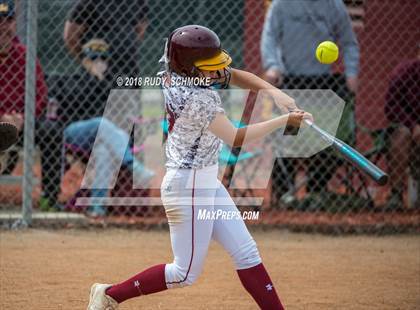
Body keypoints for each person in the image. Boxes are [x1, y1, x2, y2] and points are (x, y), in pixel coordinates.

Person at [87, 25, 312, 310]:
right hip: (187, 187)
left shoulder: (178, 72)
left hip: (205, 181)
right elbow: (235, 137)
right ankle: (110, 294)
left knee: (246, 252)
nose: (217, 73)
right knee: (183, 273)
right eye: (210, 68)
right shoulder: (196, 98)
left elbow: (234, 75)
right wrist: (284, 121)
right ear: (190, 69)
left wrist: (275, 94)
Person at [261, 0, 360, 205]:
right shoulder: (281, 5)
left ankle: (316, 193)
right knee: (286, 135)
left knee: (327, 134)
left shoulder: (334, 5)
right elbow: (269, 37)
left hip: (323, 84)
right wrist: (273, 66)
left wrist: (351, 73)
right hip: (289, 81)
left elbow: (349, 43)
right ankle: (283, 194)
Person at [0, 0, 63, 209]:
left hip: (23, 122)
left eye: (8, 20)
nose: (4, 26)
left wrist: (24, 117)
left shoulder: (24, 55)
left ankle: (50, 198)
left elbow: (40, 95)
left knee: (51, 130)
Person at [63, 0, 148, 78]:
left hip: (128, 66)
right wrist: (88, 61)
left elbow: (140, 29)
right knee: (98, 93)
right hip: (99, 67)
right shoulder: (89, 2)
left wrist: (126, 47)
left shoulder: (138, 2)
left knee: (129, 93)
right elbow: (70, 37)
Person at [383, 47, 420, 210]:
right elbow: (391, 106)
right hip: (404, 128)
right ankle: (396, 195)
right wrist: (413, 126)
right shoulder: (405, 71)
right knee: (402, 134)